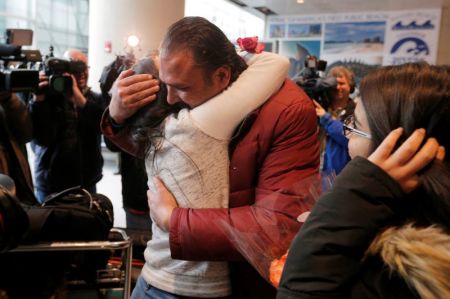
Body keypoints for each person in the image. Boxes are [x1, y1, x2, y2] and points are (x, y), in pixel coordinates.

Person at [102, 16, 319, 299]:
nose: (170, 100)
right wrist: (118, 116)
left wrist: (174, 221)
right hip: (176, 276)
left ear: (221, 76)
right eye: (165, 84)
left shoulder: (285, 110)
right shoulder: (195, 114)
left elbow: (278, 223)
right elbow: (277, 63)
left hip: (218, 279)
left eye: (182, 87)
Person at [277, 62, 450, 299]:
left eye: (355, 126)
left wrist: (326, 231)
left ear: (402, 148)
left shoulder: (404, 270)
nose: (347, 132)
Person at [29, 49, 108, 203]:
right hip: (50, 184)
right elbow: (40, 139)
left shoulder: (95, 100)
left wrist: (81, 102)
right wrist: (38, 100)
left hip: (86, 182)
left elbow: (105, 127)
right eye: (75, 67)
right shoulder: (48, 98)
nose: (81, 72)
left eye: (84, 67)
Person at [313, 66, 356, 176]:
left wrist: (326, 119)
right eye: (333, 84)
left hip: (340, 176)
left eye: (342, 83)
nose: (337, 87)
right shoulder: (319, 107)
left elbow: (351, 139)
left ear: (350, 86)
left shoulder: (356, 111)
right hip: (314, 174)